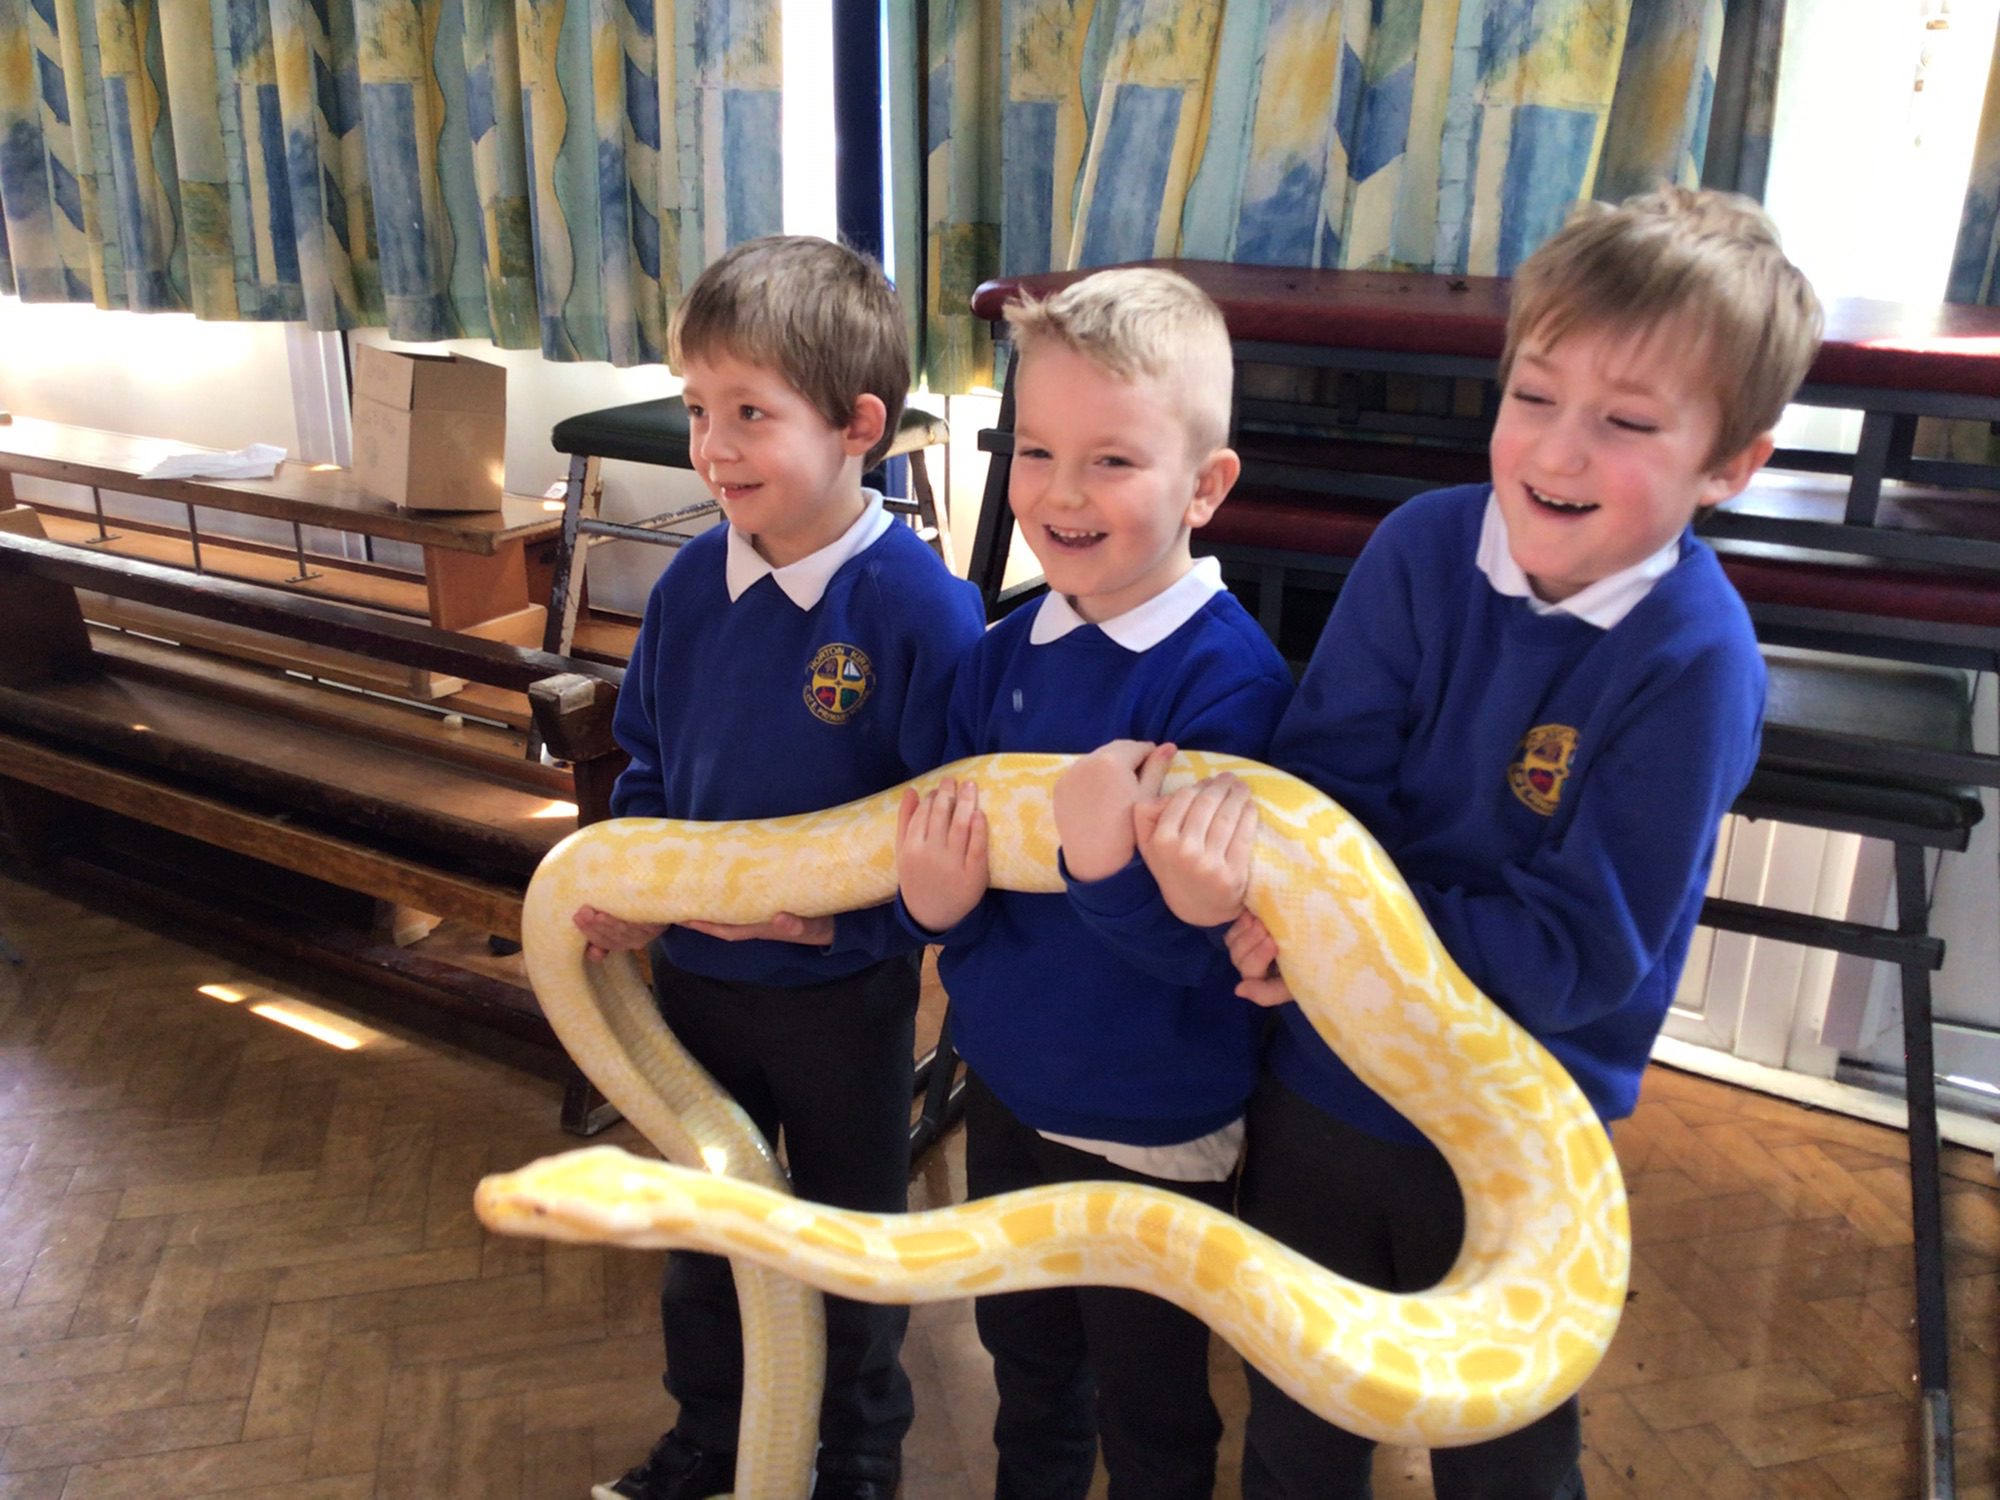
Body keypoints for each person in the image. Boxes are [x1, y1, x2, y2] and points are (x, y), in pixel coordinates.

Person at [1143, 185, 1823, 1499]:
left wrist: (1324, 927)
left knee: (1507, 1459)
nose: (1556, 452)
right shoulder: (1419, 550)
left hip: (1517, 1123)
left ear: (1731, 464)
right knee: (1296, 1423)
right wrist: (1285, 912)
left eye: (1625, 423)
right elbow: (1317, 796)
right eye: (1533, 395)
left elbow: (1568, 957)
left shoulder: (1694, 664)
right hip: (1324, 1088)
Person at [573, 234, 986, 1500]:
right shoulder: (692, 584)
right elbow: (644, 756)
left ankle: (856, 1455)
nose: (712, 447)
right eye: (700, 410)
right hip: (697, 986)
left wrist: (844, 934)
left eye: (750, 414)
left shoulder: (922, 613)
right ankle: (710, 1440)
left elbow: (940, 832)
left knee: (848, 1236)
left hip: (841, 1001)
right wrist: (634, 881)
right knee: (708, 1232)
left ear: (857, 424)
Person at [896, 266, 1294, 1500]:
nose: (1059, 495)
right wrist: (936, 908)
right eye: (1034, 449)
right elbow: (944, 868)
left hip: (1154, 1123)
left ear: (1204, 487)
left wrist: (1100, 867)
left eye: (1111, 462)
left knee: (1154, 1410)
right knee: (1027, 1370)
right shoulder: (996, 653)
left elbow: (1216, 953)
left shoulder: (1227, 692)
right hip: (1009, 1091)